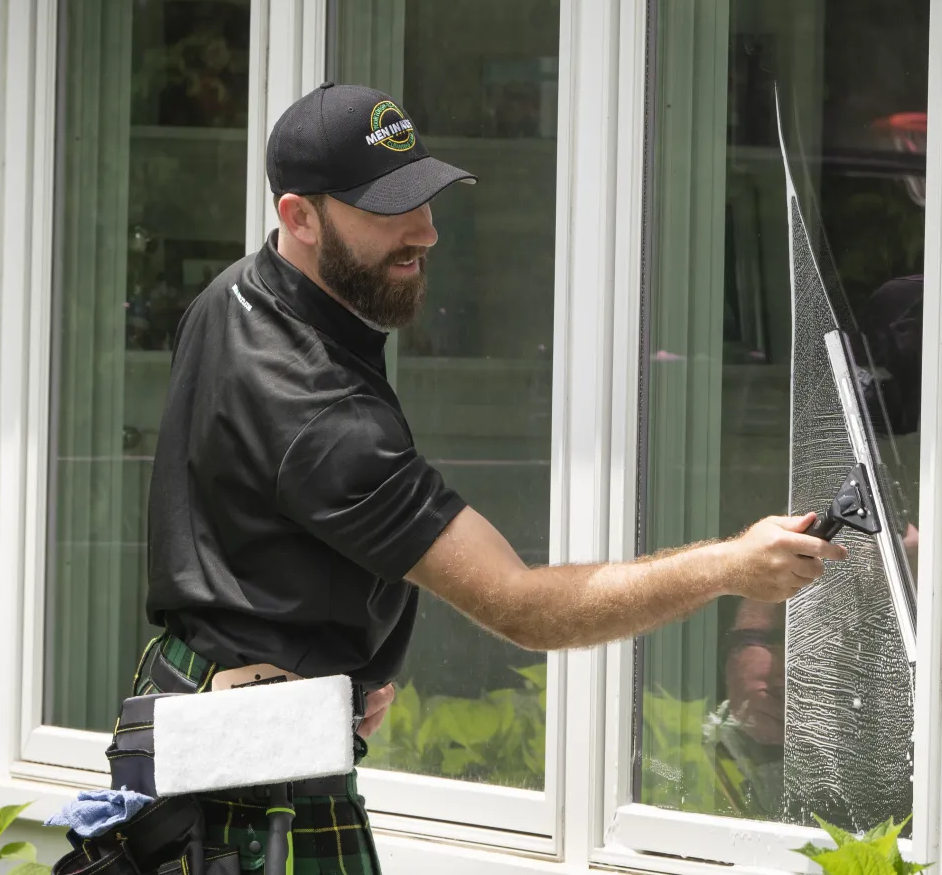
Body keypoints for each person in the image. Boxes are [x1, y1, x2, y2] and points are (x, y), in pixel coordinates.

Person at [128, 82, 850, 875]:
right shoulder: (326, 418)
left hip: (201, 705)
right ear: (299, 216)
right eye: (387, 209)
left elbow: (235, 524)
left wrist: (324, 669)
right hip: (254, 780)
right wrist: (729, 566)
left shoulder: (234, 296)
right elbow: (525, 608)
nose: (426, 234)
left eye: (425, 199)